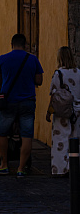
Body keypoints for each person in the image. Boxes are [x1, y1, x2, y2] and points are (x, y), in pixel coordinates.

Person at [0, 33, 43, 177]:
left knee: (2, 133)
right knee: (27, 135)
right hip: (27, 101)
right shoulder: (33, 59)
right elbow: (39, 81)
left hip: (8, 102)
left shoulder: (3, 58)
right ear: (25, 45)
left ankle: (4, 165)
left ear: (12, 44)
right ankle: (21, 168)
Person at [47, 46, 80, 176]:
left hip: (62, 112)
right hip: (77, 111)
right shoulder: (79, 73)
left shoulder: (58, 74)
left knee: (61, 139)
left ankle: (61, 169)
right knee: (76, 139)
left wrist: (48, 112)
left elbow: (54, 96)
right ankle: (75, 167)